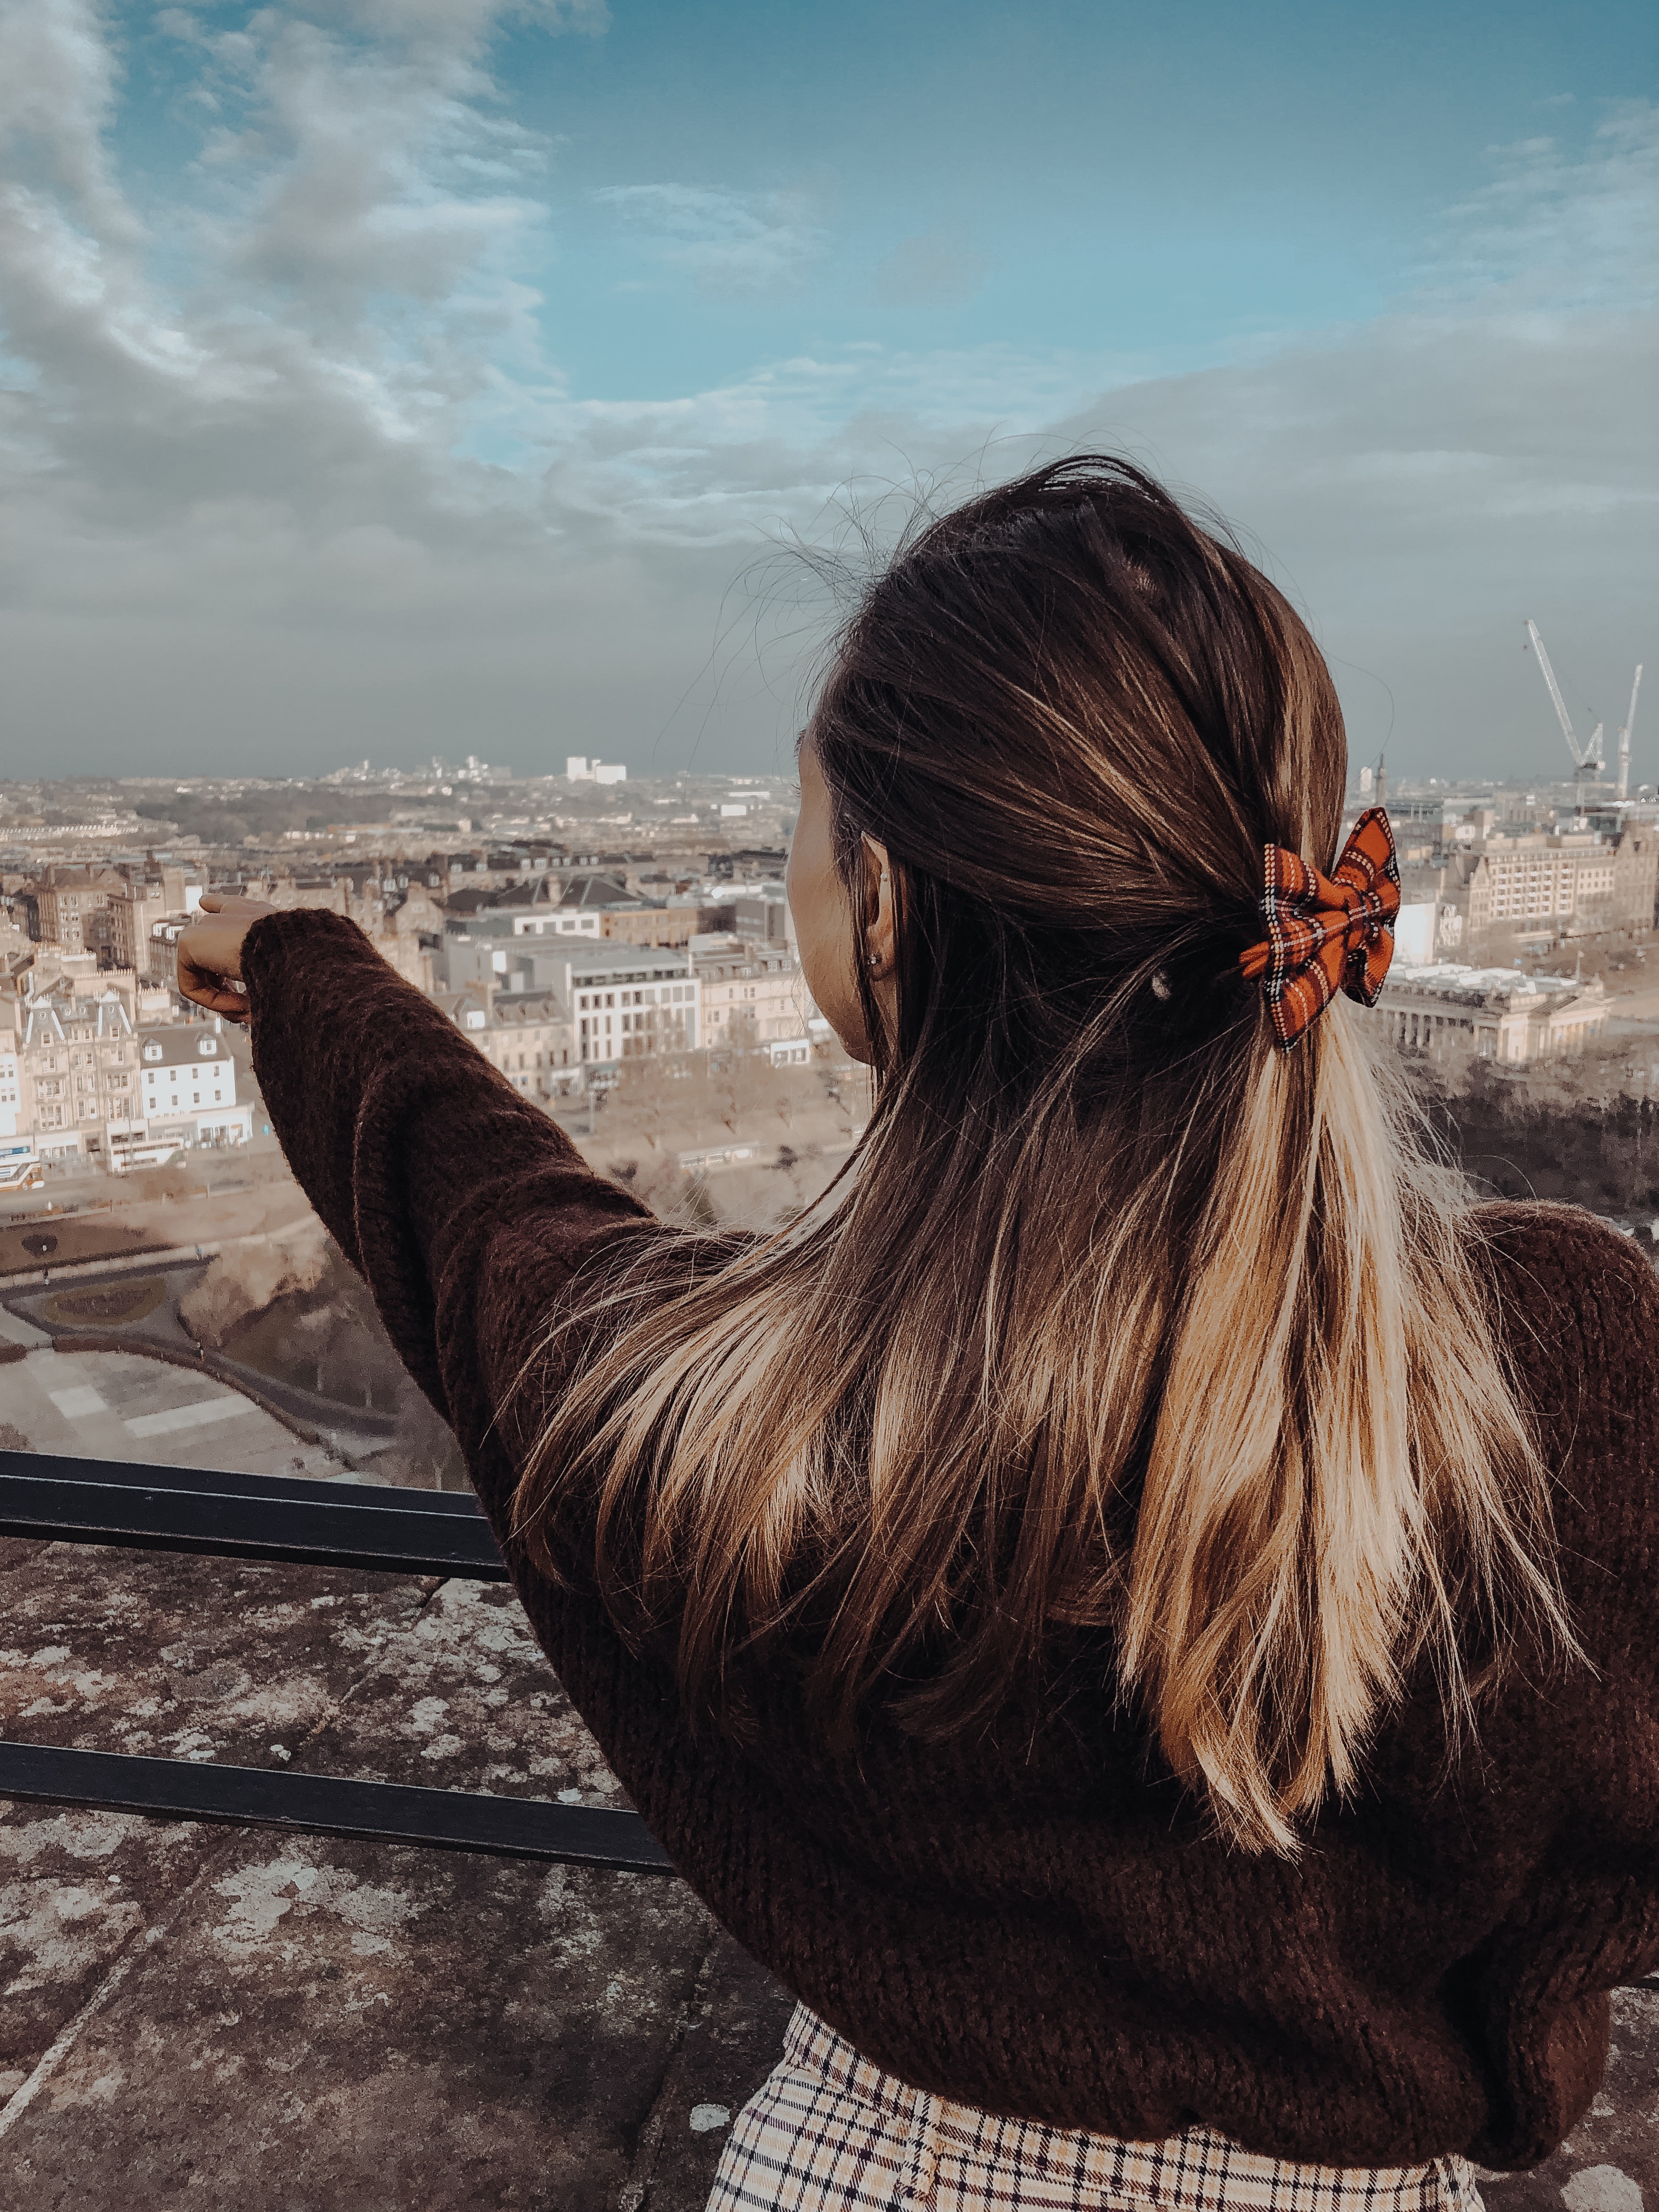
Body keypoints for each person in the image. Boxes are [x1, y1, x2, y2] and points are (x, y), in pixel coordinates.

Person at [178, 458, 1659, 2212]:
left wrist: (304, 970)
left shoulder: (739, 1430)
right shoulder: (1562, 1369)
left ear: (881, 909)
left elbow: (490, 1227)